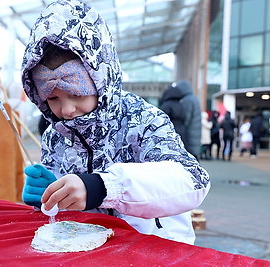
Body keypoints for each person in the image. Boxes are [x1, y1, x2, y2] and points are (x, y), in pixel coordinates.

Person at [20, 0, 210, 245]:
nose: (66, 110)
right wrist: (50, 193)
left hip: (154, 243)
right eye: (53, 98)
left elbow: (191, 180)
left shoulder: (143, 120)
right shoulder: (56, 134)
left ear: (101, 81)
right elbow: (64, 209)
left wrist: (102, 187)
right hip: (86, 245)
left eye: (77, 94)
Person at [170, 80, 202, 160]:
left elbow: (186, 118)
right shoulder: (194, 98)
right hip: (195, 132)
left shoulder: (187, 100)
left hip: (190, 133)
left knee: (190, 157)